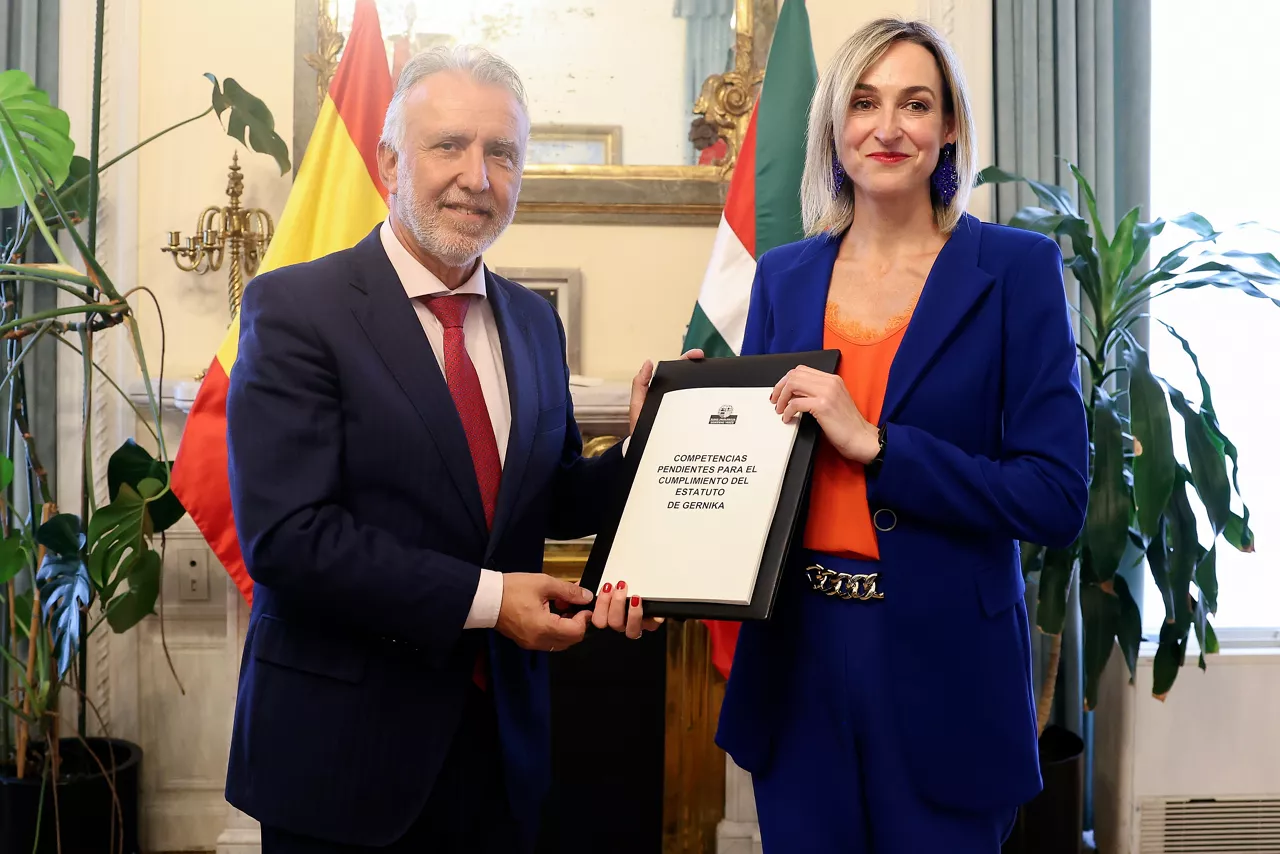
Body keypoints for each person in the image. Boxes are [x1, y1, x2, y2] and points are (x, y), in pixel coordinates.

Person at [602, 17, 1090, 853]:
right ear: (834, 123)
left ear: (949, 129)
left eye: (916, 104)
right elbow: (752, 481)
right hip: (797, 661)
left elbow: (1055, 497)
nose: (887, 126)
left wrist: (880, 446)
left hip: (947, 667)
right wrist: (681, 433)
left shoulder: (1016, 271)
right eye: (864, 102)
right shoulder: (784, 276)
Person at [223, 45, 683, 853]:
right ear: (389, 161)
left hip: (501, 749)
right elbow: (289, 539)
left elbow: (546, 496)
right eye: (449, 146)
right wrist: (491, 600)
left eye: (502, 153)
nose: (478, 176)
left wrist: (647, 445)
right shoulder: (296, 308)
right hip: (343, 756)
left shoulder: (532, 321)